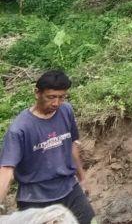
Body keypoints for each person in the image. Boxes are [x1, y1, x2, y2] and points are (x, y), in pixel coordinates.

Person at [0, 70, 95, 223]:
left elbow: (72, 146)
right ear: (37, 93)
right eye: (51, 97)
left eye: (61, 97)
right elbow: (6, 170)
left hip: (69, 189)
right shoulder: (19, 129)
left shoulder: (66, 111)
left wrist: (82, 178)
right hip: (35, 198)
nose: (56, 103)